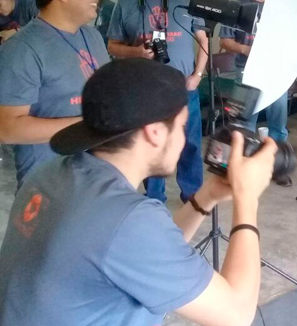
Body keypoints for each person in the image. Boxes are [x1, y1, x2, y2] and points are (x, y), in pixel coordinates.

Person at [0, 58, 277, 325]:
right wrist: (247, 197)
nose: (183, 139)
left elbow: (143, 251)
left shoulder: (50, 173)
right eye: (181, 126)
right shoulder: (127, 219)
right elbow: (237, 314)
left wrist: (208, 195)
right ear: (154, 132)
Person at [106, 0, 209, 203]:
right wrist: (136, 52)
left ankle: (192, 195)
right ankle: (154, 197)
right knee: (150, 144)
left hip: (184, 87)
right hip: (145, 89)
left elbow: (203, 39)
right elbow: (112, 46)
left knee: (190, 143)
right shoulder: (126, 4)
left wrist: (198, 74)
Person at [0, 0, 110, 186]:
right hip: (49, 186)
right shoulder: (23, 49)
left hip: (97, 177)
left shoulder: (93, 37)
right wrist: (88, 125)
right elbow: (7, 128)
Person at [219, 0, 292, 186]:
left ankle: (276, 168)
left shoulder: (279, 7)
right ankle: (243, 171)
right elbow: (225, 40)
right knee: (244, 125)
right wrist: (247, 50)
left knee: (278, 125)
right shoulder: (237, 7)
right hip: (247, 72)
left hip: (276, 74)